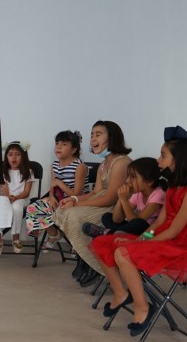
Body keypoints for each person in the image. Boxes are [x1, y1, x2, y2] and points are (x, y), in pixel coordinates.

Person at [90, 131, 187, 336]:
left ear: (180, 160)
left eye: (163, 155)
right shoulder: (174, 188)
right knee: (101, 243)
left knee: (123, 253)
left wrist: (142, 243)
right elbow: (161, 221)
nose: (158, 160)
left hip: (181, 244)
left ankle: (143, 308)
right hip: (162, 237)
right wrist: (142, 238)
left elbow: (174, 230)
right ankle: (121, 293)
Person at [53, 120, 132, 287]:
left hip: (116, 208)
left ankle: (94, 264)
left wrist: (76, 205)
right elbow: (96, 192)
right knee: (62, 210)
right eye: (91, 135)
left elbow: (110, 199)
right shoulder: (103, 164)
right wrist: (73, 199)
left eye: (98, 134)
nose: (92, 139)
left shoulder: (121, 163)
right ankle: (84, 257)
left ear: (112, 137)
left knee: (73, 215)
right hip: (101, 201)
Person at [25, 130, 87, 244]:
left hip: (76, 202)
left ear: (73, 150)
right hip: (59, 199)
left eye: (64, 144)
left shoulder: (80, 166)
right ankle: (54, 233)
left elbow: (77, 195)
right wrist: (51, 197)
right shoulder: (54, 165)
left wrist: (59, 183)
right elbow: (52, 185)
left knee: (66, 215)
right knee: (34, 207)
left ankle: (77, 243)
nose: (58, 146)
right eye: (57, 143)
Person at [83, 157, 165, 238]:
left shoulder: (158, 195)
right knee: (107, 217)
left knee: (138, 223)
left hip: (149, 232)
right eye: (128, 176)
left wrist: (124, 200)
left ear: (149, 181)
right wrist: (121, 198)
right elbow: (117, 219)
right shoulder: (139, 193)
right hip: (134, 227)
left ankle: (110, 233)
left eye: (133, 177)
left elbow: (135, 222)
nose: (127, 180)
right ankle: (114, 233)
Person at [0, 141, 34, 256]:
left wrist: (16, 197)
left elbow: (26, 192)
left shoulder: (28, 172)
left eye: (17, 154)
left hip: (21, 199)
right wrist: (8, 198)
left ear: (23, 156)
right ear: (6, 157)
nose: (13, 157)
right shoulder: (4, 172)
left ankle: (16, 237)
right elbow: (4, 188)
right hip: (6, 198)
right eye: (10, 154)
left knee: (16, 208)